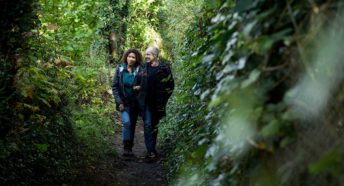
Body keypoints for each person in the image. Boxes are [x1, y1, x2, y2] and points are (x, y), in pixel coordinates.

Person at [135, 46, 174, 159]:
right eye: (146, 54)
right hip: (146, 102)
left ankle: (152, 148)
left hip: (158, 103)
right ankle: (150, 151)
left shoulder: (164, 68)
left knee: (154, 126)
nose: (146, 56)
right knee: (147, 124)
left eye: (149, 54)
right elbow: (137, 81)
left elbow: (170, 85)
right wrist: (138, 89)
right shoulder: (143, 67)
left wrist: (164, 98)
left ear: (155, 55)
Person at [112, 48, 142, 157]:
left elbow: (145, 84)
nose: (131, 59)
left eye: (133, 57)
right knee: (126, 123)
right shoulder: (120, 69)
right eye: (129, 56)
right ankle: (125, 148)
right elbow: (114, 87)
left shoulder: (139, 70)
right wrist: (119, 102)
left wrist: (140, 87)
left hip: (134, 103)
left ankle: (130, 148)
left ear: (136, 59)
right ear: (126, 57)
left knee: (132, 125)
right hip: (123, 103)